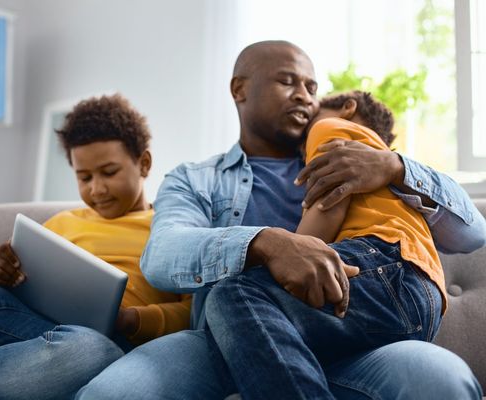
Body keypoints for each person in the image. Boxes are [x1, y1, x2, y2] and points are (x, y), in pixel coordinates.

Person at [78, 41, 486, 399]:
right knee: (110, 393)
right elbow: (162, 255)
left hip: (348, 333)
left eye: (312, 87)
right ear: (240, 89)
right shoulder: (195, 178)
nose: (304, 97)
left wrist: (395, 167)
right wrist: (265, 243)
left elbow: (473, 234)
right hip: (224, 339)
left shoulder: (347, 156)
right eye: (287, 82)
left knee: (442, 379)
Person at [0, 93, 191, 399]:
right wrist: (3, 271)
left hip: (103, 346)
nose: (97, 189)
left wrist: (132, 318)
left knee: (88, 350)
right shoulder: (63, 222)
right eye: (84, 177)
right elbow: (18, 293)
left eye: (109, 173)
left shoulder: (170, 227)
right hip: (21, 326)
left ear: (144, 163)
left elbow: (192, 314)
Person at [203, 90, 456, 399]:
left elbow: (329, 205)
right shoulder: (382, 166)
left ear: (347, 108)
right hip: (422, 304)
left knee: (237, 293)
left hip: (390, 265)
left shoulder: (330, 128)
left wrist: (290, 254)